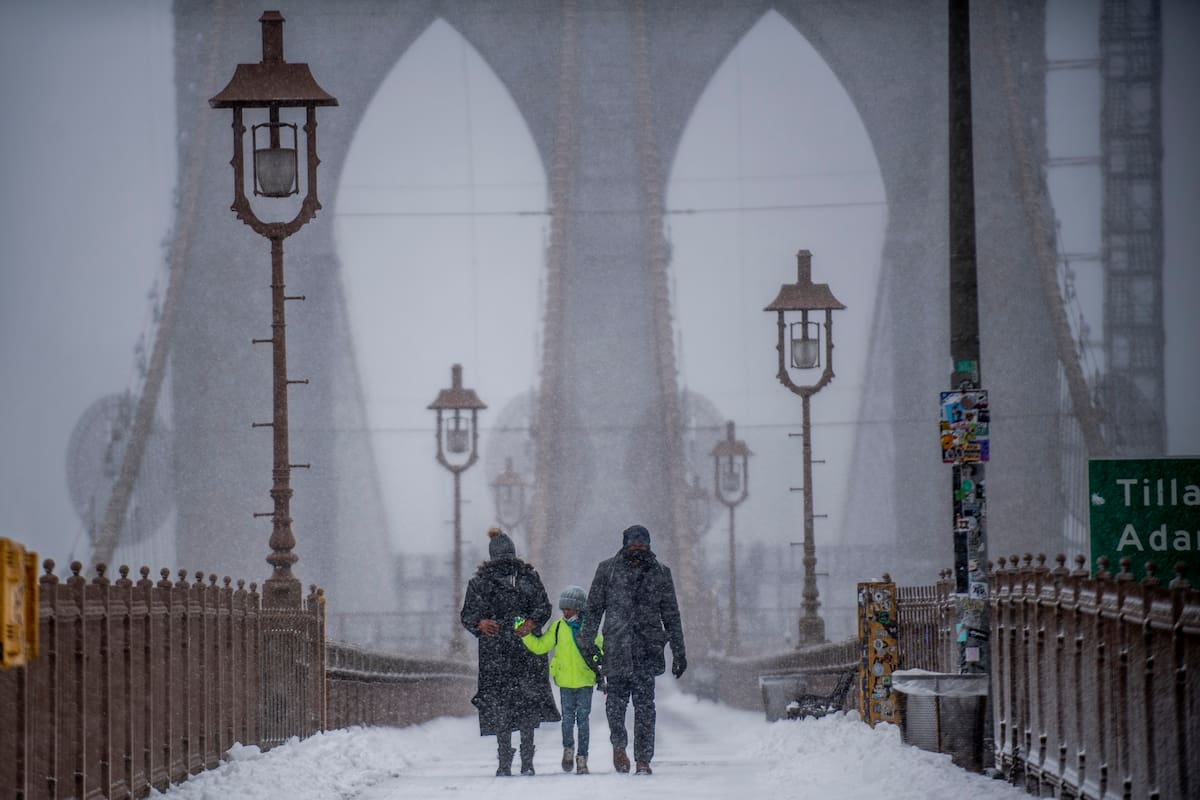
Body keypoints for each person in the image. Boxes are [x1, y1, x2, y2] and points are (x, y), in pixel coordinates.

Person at [578, 523, 686, 776]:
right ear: (625, 544)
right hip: (616, 646)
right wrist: (587, 641)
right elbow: (594, 609)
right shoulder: (607, 570)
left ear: (648, 545)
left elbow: (671, 614)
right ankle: (619, 745)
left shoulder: (660, 573)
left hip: (647, 649)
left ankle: (643, 759)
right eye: (633, 543)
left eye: (642, 543)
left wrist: (679, 651)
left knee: (645, 706)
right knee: (615, 705)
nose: (638, 548)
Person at [460, 527, 561, 776]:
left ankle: (517, 760)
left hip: (510, 654)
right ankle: (513, 759)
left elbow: (543, 607)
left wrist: (531, 622)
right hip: (510, 654)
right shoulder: (483, 583)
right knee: (511, 707)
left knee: (509, 706)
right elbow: (468, 615)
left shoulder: (525, 578)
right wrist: (480, 623)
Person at [518, 584, 604, 775]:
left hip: (585, 681)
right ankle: (568, 750)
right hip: (565, 682)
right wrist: (523, 633)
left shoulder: (589, 627)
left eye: (569, 608)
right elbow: (541, 646)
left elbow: (601, 649)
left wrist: (603, 670)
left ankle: (582, 758)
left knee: (582, 721)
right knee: (567, 721)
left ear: (579, 608)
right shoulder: (557, 627)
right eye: (563, 608)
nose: (565, 612)